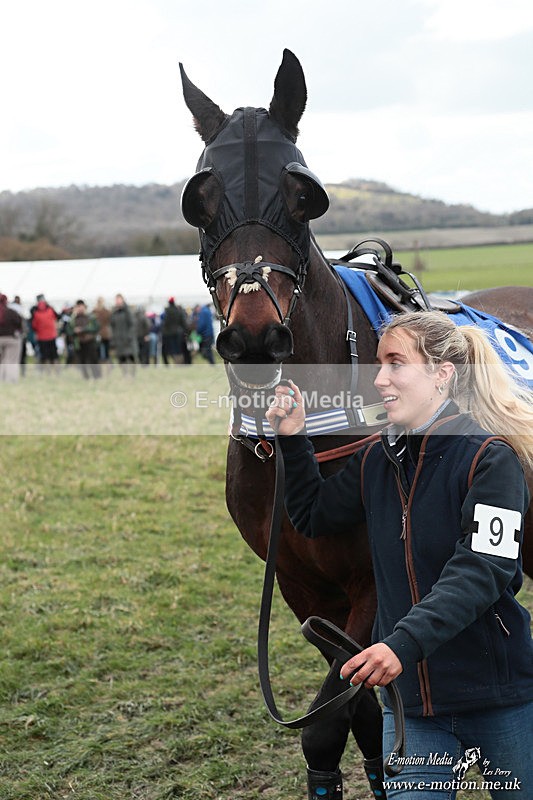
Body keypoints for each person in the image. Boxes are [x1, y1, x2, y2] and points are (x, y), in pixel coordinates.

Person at [267, 310, 533, 799]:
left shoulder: (491, 458)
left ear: (441, 374)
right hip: (411, 708)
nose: (380, 378)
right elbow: (312, 516)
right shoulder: (377, 459)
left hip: (500, 698)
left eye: (395, 363)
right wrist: (292, 440)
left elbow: (481, 570)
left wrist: (399, 644)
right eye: (378, 364)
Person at [66, 300, 101, 379]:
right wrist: (74, 331)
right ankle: (86, 377)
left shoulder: (91, 317)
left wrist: (83, 329)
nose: (80, 308)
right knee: (82, 361)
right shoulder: (72, 319)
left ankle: (97, 376)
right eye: (78, 307)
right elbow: (68, 331)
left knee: (93, 360)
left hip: (90, 342)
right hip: (79, 343)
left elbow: (96, 328)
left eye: (81, 306)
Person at [31, 294, 60, 368]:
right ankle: (57, 371)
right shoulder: (50, 309)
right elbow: (57, 317)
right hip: (52, 335)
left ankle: (48, 371)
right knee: (54, 354)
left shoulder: (35, 311)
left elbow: (34, 325)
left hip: (41, 337)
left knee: (45, 355)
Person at [110, 294, 136, 374]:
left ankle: (132, 374)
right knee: (121, 359)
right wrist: (113, 339)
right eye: (116, 300)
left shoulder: (128, 311)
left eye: (119, 300)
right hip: (118, 340)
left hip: (128, 340)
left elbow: (132, 325)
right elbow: (112, 326)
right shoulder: (114, 312)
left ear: (122, 300)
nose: (117, 302)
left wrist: (129, 336)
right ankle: (125, 374)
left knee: (131, 358)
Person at [0, 293, 23, 382]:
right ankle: (11, 380)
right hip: (12, 339)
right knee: (11, 361)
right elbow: (20, 325)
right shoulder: (11, 312)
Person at [161, 297, 189, 365]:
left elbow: (165, 323)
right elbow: (183, 323)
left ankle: (171, 362)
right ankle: (178, 363)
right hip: (178, 333)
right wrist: (186, 332)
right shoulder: (178, 311)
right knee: (178, 349)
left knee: (170, 349)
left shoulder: (167, 311)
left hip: (168, 334)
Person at [93, 297, 112, 364]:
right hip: (100, 333)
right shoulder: (95, 311)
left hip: (104, 333)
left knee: (105, 350)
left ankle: (107, 362)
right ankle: (103, 362)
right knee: (99, 350)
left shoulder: (104, 311)